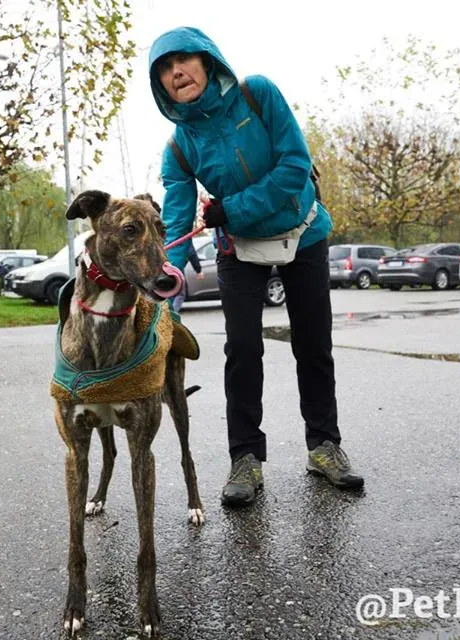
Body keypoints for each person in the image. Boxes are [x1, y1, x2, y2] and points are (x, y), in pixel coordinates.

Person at [149, 27, 364, 507]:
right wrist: (165, 289)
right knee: (241, 350)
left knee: (313, 342)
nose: (176, 72)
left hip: (301, 232)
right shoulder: (180, 147)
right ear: (159, 83)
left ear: (208, 62)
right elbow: (178, 223)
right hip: (238, 250)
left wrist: (233, 209)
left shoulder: (258, 94)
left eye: (184, 60)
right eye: (164, 68)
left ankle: (324, 446)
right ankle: (245, 458)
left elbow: (294, 167)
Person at [171, 239, 205, 313]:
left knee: (167, 294)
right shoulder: (183, 233)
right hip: (176, 267)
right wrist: (198, 270)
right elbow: (191, 253)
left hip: (162, 266)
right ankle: (171, 315)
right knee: (179, 294)